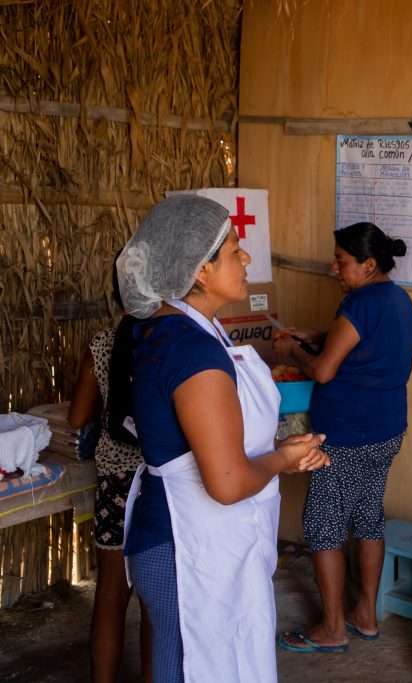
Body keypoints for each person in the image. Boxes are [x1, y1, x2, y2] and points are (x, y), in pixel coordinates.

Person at [117, 194, 329, 683]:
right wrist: (283, 460)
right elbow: (228, 483)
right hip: (185, 548)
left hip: (195, 540)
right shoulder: (191, 351)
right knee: (193, 666)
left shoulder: (180, 330)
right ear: (199, 272)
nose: (246, 257)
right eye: (234, 249)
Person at [274, 221, 412, 653]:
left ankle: (332, 628)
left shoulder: (358, 305)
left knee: (323, 526)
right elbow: (368, 349)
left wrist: (293, 350)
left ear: (368, 264)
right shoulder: (398, 299)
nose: (335, 269)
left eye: (341, 262)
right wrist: (318, 336)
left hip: (346, 435)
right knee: (369, 517)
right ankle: (366, 616)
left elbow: (323, 371)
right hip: (387, 429)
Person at [67, 260, 150, 683]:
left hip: (117, 485)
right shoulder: (167, 343)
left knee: (111, 597)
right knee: (157, 601)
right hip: (159, 483)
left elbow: (78, 416)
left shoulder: (102, 344)